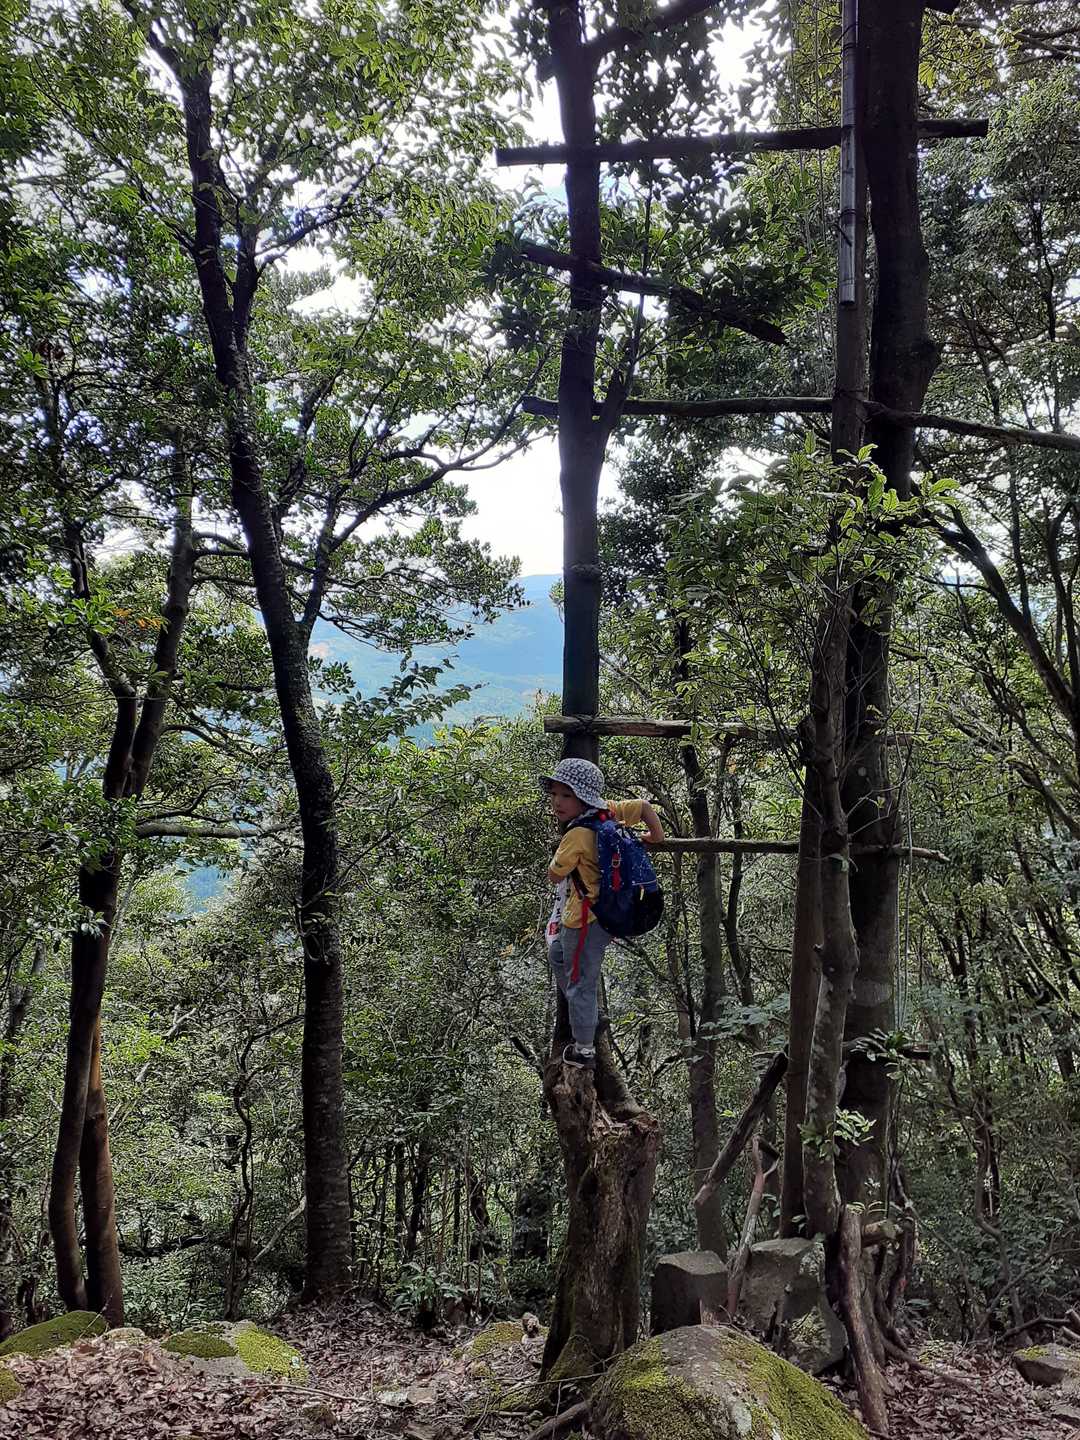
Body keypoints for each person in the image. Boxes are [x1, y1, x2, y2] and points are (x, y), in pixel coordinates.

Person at [540, 758, 665, 1069]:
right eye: (555, 794)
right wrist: (656, 837)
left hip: (584, 920)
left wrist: (559, 858)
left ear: (583, 797)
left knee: (580, 983)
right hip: (607, 914)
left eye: (566, 795)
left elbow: (555, 875)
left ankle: (584, 1050)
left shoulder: (576, 835)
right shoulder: (607, 810)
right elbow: (644, 807)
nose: (558, 802)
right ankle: (589, 1013)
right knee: (557, 955)